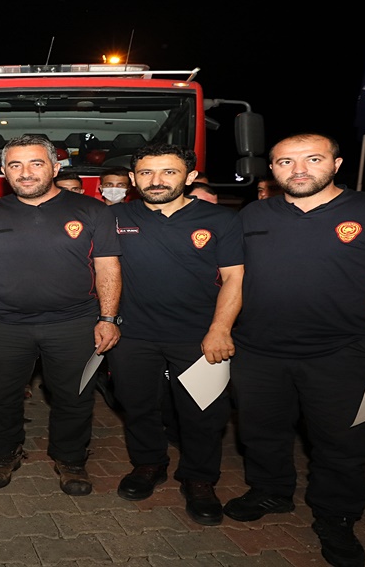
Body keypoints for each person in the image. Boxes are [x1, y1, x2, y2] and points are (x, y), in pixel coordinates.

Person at [225, 132, 365, 567]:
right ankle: (270, 491)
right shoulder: (253, 214)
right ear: (272, 169)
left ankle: (336, 516)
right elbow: (234, 278)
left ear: (337, 164)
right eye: (285, 162)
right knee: (261, 433)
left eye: (313, 159)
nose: (299, 169)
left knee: (342, 443)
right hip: (259, 351)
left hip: (346, 352)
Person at [0, 134, 122, 496]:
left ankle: (70, 459)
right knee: (1, 396)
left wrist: (108, 319)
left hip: (73, 323)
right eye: (15, 165)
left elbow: (107, 267)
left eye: (36, 163)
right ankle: (3, 454)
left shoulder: (93, 211)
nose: (25, 173)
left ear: (55, 168)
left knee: (75, 397)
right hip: (3, 323)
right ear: (4, 171)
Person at [108, 143, 243, 526]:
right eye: (146, 173)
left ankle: (199, 479)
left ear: (190, 176)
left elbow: (235, 278)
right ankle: (148, 464)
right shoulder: (114, 217)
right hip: (132, 335)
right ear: (133, 178)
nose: (156, 180)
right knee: (137, 406)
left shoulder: (221, 220)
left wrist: (220, 329)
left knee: (203, 412)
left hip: (199, 337)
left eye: (168, 172)